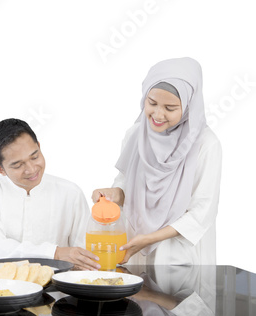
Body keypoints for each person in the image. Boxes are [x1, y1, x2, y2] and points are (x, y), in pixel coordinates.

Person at [92, 57, 222, 265]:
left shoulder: (206, 144)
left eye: (170, 108)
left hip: (179, 256)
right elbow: (126, 182)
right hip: (135, 249)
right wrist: (114, 194)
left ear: (189, 105)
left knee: (176, 298)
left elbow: (202, 212)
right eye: (152, 103)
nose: (158, 114)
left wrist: (150, 238)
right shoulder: (136, 134)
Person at [0, 118, 99, 270]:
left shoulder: (71, 193)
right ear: (0, 169)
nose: (31, 169)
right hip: (4, 288)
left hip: (60, 289)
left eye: (35, 157)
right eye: (18, 165)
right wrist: (54, 253)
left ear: (39, 147)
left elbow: (84, 255)